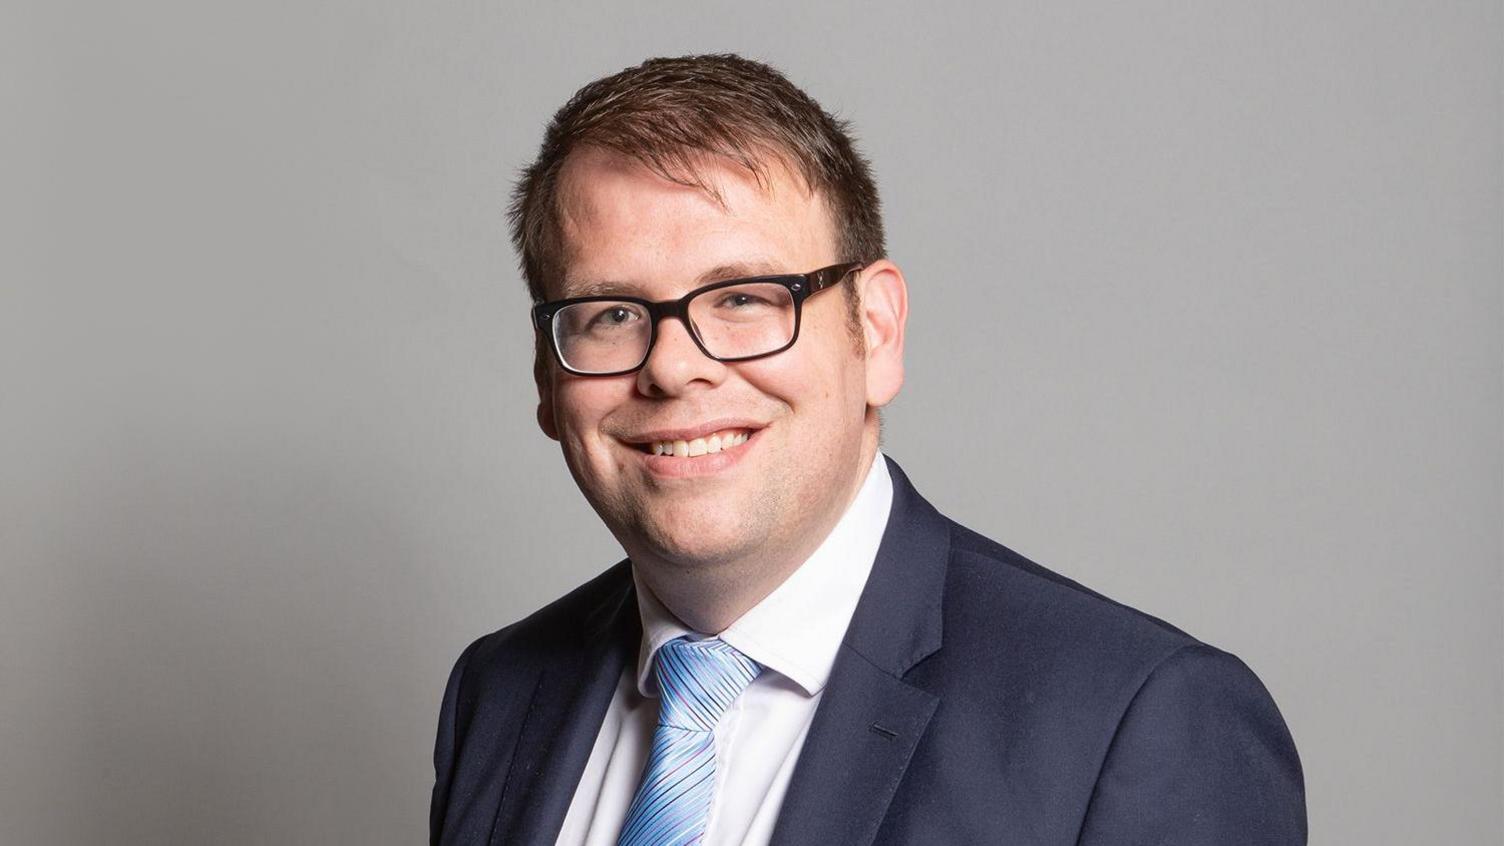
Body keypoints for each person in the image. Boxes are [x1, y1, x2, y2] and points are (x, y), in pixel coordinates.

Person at [430, 54, 1306, 846]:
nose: (673, 368)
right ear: (549, 379)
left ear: (876, 331)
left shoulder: (1138, 719)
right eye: (612, 314)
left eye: (743, 299)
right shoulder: (499, 694)